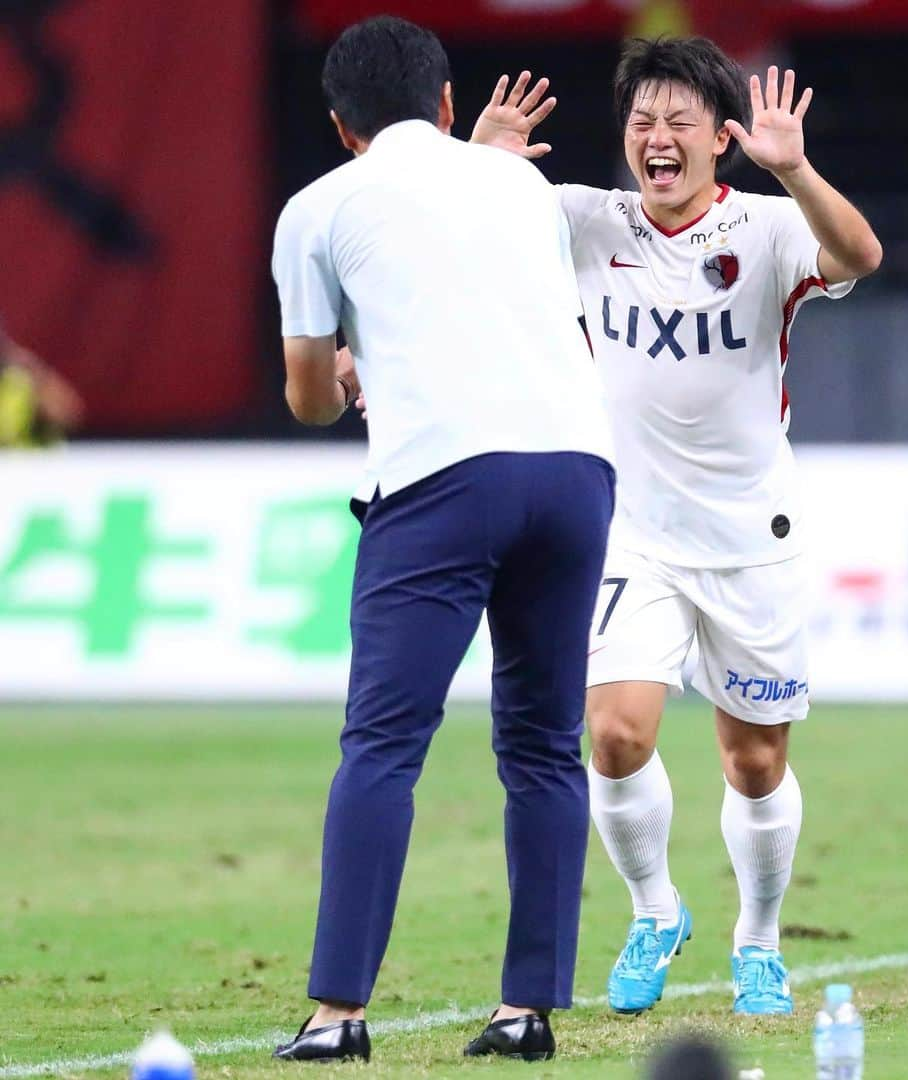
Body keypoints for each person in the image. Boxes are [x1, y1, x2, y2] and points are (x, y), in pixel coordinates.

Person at [472, 39, 881, 1016]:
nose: (657, 139)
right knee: (612, 736)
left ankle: (759, 939)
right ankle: (655, 910)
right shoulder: (583, 219)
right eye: (641, 122)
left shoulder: (773, 228)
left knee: (756, 761)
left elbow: (861, 255)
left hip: (749, 536)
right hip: (628, 532)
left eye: (678, 123)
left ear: (720, 141)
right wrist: (480, 166)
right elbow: (454, 235)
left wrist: (797, 166)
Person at [269, 16, 615, 1063]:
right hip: (575, 469)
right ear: (449, 104)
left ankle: (338, 1015)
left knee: (382, 747)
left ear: (340, 126)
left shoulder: (318, 206)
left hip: (441, 480)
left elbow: (307, 399)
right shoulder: (516, 184)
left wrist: (344, 373)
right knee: (545, 746)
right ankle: (527, 1011)